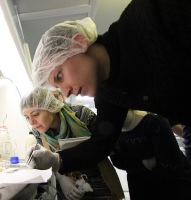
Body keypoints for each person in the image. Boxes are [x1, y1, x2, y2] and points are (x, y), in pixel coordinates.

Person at [27, 0, 191, 176]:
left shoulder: (150, 14)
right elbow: (102, 143)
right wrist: (58, 160)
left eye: (60, 76)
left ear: (78, 43)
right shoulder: (109, 94)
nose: (65, 93)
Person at [20, 87, 124, 200]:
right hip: (68, 191)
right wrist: (62, 179)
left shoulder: (80, 115)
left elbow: (109, 145)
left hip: (99, 184)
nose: (31, 122)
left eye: (35, 114)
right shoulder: (38, 132)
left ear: (50, 106)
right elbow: (50, 163)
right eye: (27, 118)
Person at [110, 109, 191, 200]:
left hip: (171, 185)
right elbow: (118, 162)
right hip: (141, 184)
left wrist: (139, 166)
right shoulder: (110, 130)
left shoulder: (153, 122)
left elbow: (172, 167)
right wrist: (146, 164)